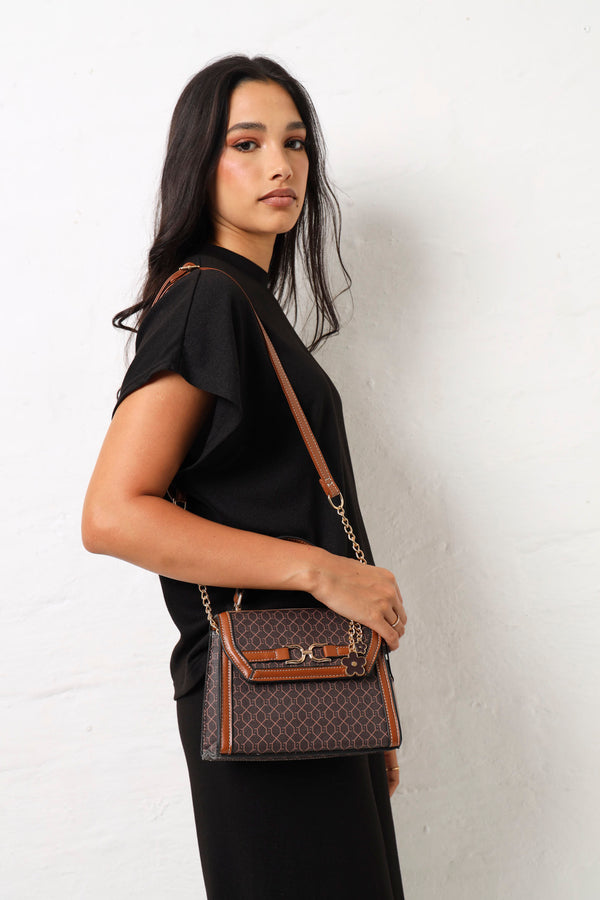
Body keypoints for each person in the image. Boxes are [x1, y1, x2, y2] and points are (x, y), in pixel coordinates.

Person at [82, 54, 408, 900]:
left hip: (316, 679)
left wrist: (367, 685)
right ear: (200, 161)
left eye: (295, 143)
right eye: (247, 142)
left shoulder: (249, 301)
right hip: (261, 687)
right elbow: (112, 514)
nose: (280, 166)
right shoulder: (207, 300)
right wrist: (321, 572)